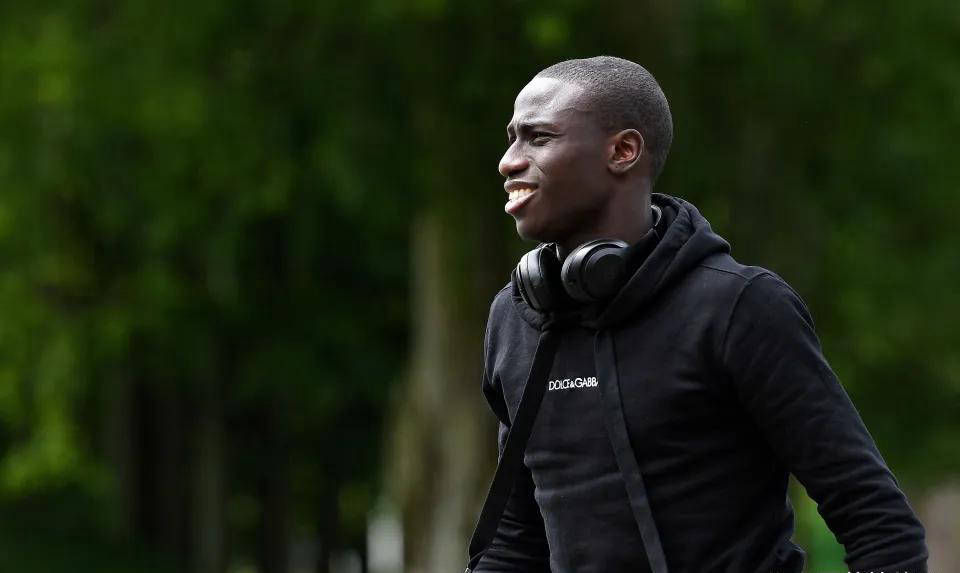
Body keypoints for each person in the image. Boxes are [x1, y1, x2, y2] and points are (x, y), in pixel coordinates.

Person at [469, 56, 927, 573]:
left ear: (622, 151)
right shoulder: (516, 317)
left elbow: (877, 522)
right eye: (512, 139)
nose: (509, 161)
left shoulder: (740, 307)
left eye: (538, 138)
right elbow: (514, 542)